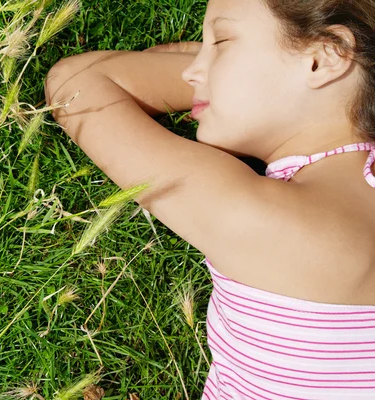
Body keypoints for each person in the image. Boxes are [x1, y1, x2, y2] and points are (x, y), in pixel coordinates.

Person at [44, 0, 375, 398]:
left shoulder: (259, 220)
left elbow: (75, 85)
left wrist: (211, 83)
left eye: (220, 41)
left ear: (324, 57)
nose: (191, 70)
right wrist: (223, 72)